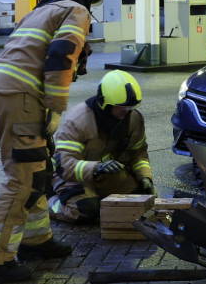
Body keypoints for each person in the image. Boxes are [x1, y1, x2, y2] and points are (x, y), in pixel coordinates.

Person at [0, 0, 101, 282]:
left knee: (40, 169)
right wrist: (55, 109)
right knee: (23, 177)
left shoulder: (41, 10)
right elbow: (60, 55)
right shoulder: (75, 10)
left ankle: (36, 239)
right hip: (21, 96)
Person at [49, 70, 153, 224]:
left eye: (130, 107)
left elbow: (138, 153)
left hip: (107, 176)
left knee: (141, 200)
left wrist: (144, 177)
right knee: (86, 209)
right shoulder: (78, 121)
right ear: (105, 104)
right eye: (122, 107)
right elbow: (65, 166)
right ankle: (49, 203)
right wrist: (96, 168)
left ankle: (101, 198)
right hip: (74, 179)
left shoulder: (133, 119)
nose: (127, 112)